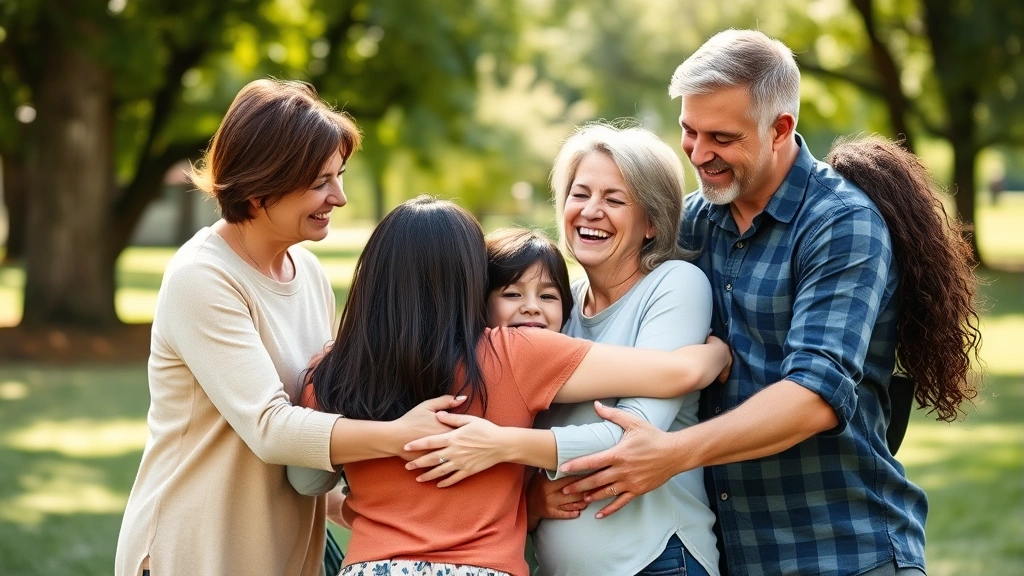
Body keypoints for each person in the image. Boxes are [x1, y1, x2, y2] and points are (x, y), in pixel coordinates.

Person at [553, 30, 981, 576]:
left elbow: (814, 396)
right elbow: (610, 315)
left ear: (780, 129)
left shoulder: (840, 224)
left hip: (843, 549)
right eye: (689, 130)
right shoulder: (694, 222)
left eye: (722, 137)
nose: (699, 153)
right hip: (734, 553)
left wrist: (674, 452)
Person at [114, 79, 466, 576]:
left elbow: (315, 411)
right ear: (261, 186)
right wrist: (399, 435)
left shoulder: (310, 275)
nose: (339, 197)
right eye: (321, 182)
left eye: (339, 176)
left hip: (283, 550)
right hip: (198, 550)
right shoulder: (203, 277)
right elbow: (270, 428)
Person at [288, 196, 731, 576]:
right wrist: (715, 354)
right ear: (470, 282)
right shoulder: (512, 354)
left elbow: (307, 483)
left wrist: (373, 506)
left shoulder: (328, 373)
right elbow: (674, 373)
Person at [403, 124, 720, 576]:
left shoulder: (674, 284)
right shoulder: (554, 305)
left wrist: (501, 446)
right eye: (580, 193)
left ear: (652, 222)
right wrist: (529, 495)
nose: (591, 211)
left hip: (655, 559)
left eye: (614, 200)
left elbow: (635, 439)